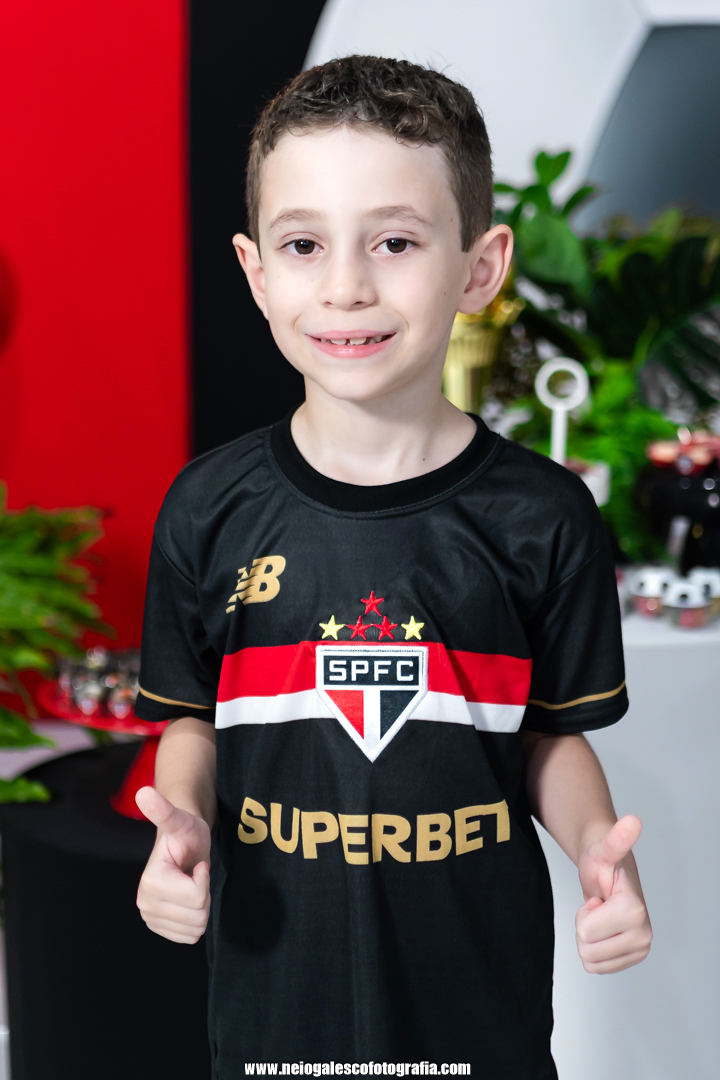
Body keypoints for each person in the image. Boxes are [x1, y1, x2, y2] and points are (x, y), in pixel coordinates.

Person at [134, 55, 652, 1079]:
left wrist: (598, 847)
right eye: (304, 244)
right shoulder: (207, 508)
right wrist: (181, 820)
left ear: (479, 266)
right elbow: (195, 718)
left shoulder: (544, 517)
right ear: (256, 271)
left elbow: (546, 735)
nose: (346, 286)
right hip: (276, 1017)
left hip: (476, 1020)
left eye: (396, 241)